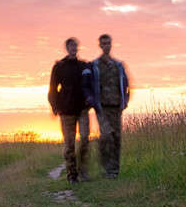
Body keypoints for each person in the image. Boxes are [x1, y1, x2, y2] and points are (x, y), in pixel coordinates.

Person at [83, 33, 129, 178]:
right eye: (104, 44)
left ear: (111, 44)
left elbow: (126, 84)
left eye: (108, 43)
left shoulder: (118, 65)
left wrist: (125, 100)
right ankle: (106, 167)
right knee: (106, 135)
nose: (106, 46)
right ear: (100, 46)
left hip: (116, 106)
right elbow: (87, 85)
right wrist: (91, 99)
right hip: (102, 107)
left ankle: (114, 170)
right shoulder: (94, 65)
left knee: (116, 137)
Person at [48, 37, 92, 184]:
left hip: (83, 109)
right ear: (67, 48)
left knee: (85, 138)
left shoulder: (84, 65)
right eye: (71, 46)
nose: (73, 48)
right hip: (66, 111)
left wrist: (91, 101)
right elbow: (53, 88)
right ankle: (72, 175)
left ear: (77, 48)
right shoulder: (59, 66)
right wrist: (55, 107)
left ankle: (83, 170)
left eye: (75, 45)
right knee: (69, 144)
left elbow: (91, 84)